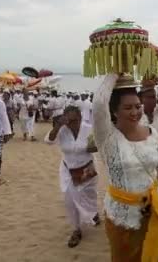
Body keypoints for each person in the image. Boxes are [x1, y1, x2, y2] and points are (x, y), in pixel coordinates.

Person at [93, 73, 158, 261]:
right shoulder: (106, 138)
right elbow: (99, 104)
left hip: (154, 209)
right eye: (127, 108)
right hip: (121, 217)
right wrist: (115, 72)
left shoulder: (152, 133)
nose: (134, 112)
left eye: (137, 106)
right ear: (114, 111)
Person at [46, 106, 100, 248]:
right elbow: (49, 140)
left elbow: (98, 145)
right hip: (68, 170)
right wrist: (58, 126)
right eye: (68, 120)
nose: (71, 123)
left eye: (74, 120)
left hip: (87, 168)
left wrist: (93, 147)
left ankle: (93, 213)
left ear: (80, 118)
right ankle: (77, 229)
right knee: (70, 199)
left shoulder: (88, 129)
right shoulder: (62, 130)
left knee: (90, 196)